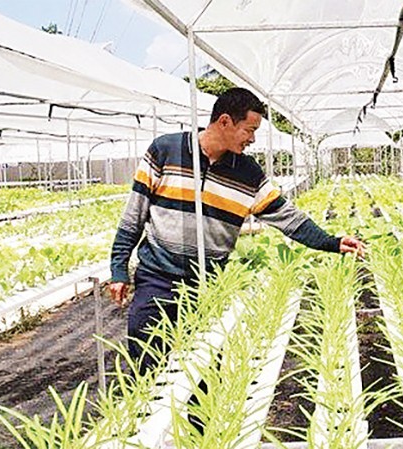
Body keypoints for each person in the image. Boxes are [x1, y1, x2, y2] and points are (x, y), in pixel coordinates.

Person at [109, 87, 365, 375]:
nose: (253, 139)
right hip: (156, 280)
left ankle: (201, 422)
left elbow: (287, 217)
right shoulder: (165, 151)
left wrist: (330, 242)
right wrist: (118, 270)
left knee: (204, 376)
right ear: (225, 121)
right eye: (249, 129)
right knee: (146, 368)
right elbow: (134, 215)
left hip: (205, 287)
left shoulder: (248, 174)